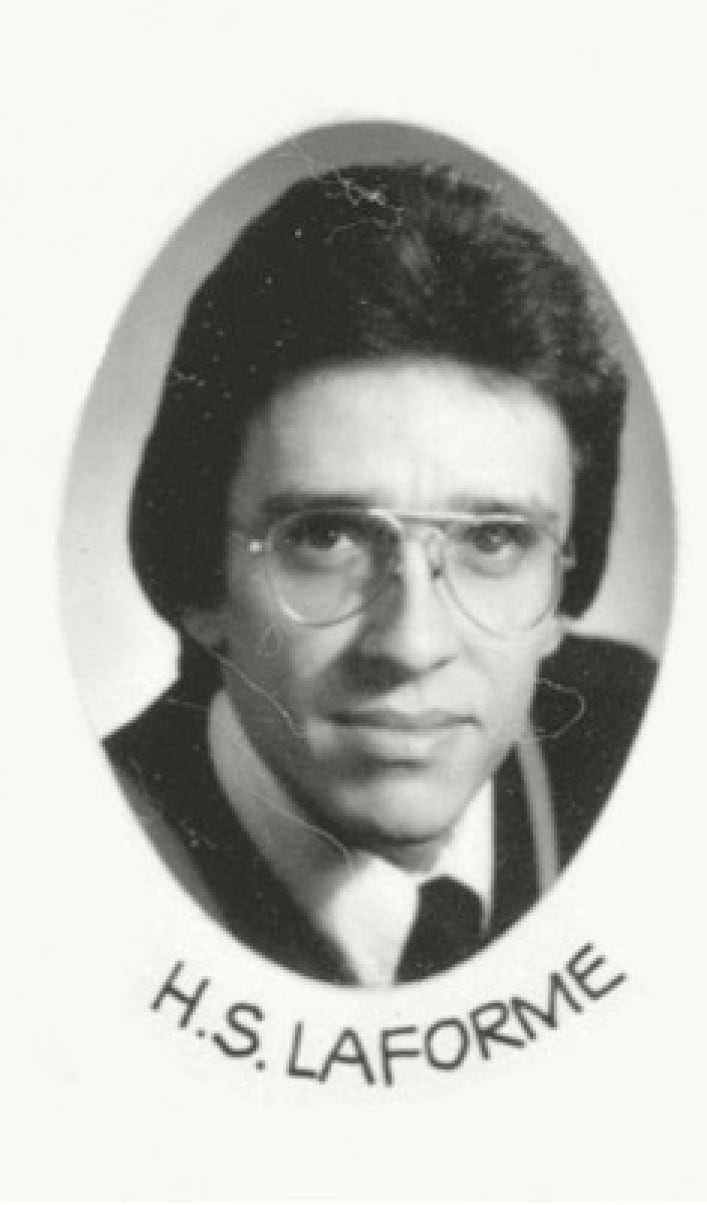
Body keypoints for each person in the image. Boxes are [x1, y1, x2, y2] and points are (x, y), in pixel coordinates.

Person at [105, 162, 657, 987]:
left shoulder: (648, 756)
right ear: (200, 580)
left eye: (497, 539)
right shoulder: (74, 864)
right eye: (326, 535)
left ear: (560, 591)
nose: (411, 643)